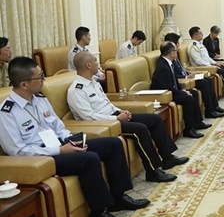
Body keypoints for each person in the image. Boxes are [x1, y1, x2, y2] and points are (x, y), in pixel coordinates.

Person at [0, 57, 149, 217]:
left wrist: (70, 139)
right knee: (89, 159)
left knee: (113, 144)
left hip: (61, 145)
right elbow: (17, 151)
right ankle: (99, 214)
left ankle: (118, 197)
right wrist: (60, 150)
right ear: (24, 84)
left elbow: (57, 126)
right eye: (40, 77)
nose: (43, 80)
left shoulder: (40, 99)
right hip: (44, 158)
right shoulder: (6, 113)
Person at [67, 51, 188, 182]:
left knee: (154, 119)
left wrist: (120, 111)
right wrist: (116, 119)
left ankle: (168, 158)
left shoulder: (94, 82)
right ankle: (153, 171)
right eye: (96, 61)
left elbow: (106, 103)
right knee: (140, 129)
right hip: (104, 124)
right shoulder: (76, 90)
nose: (98, 64)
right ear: (88, 65)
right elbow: (88, 117)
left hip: (114, 116)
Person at [151, 41, 210, 139]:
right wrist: (183, 92)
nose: (177, 51)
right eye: (175, 50)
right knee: (188, 98)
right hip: (163, 94)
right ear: (171, 52)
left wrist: (183, 90)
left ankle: (197, 122)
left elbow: (174, 82)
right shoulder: (163, 67)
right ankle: (189, 129)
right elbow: (168, 87)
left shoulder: (168, 62)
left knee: (193, 93)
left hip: (171, 91)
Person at [164, 33, 224, 119]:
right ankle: (209, 111)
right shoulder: (168, 58)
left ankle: (214, 107)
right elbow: (174, 74)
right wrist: (186, 77)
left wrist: (188, 73)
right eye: (178, 43)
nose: (179, 46)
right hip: (184, 80)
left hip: (187, 76)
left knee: (208, 80)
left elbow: (181, 69)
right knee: (205, 83)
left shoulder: (174, 55)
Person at [188, 26, 224, 96]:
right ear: (195, 35)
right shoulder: (193, 47)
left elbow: (207, 57)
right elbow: (198, 61)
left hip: (209, 65)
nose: (202, 34)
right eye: (200, 33)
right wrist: (212, 66)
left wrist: (215, 63)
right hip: (204, 68)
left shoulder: (200, 45)